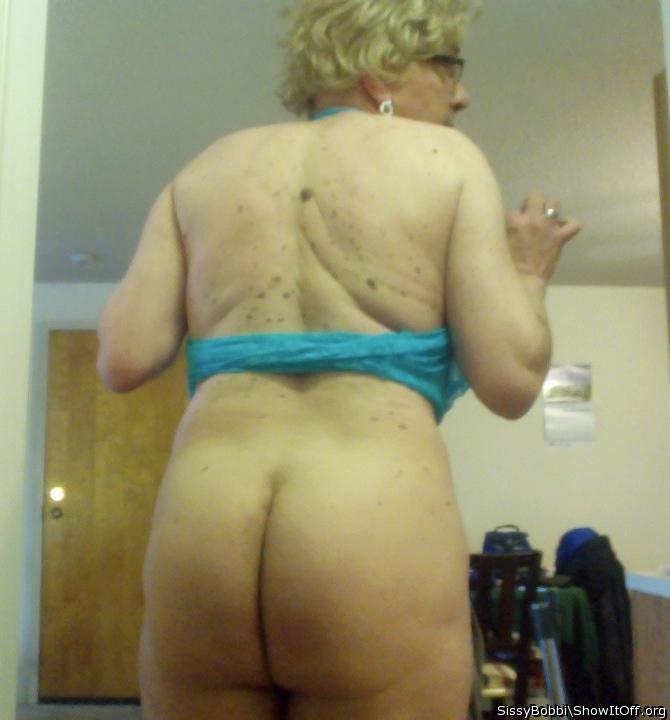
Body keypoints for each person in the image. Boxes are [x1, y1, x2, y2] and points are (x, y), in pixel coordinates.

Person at [97, 0, 581, 718]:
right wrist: (531, 272)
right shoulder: (446, 160)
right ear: (379, 71)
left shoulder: (203, 171)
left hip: (202, 524)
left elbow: (123, 357)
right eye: (448, 68)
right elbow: (510, 383)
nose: (461, 95)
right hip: (366, 530)